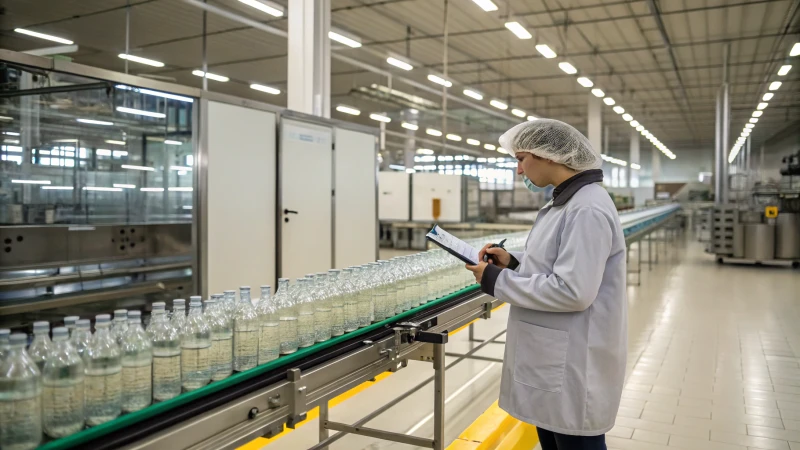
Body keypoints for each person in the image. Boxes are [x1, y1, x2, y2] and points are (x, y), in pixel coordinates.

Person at [465, 119, 627, 450]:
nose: (520, 171)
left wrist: (497, 280)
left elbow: (573, 291)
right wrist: (512, 263)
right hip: (553, 359)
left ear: (549, 156)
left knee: (575, 441)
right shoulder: (564, 202)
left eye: (522, 159)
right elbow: (555, 265)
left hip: (574, 363)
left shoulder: (587, 208)